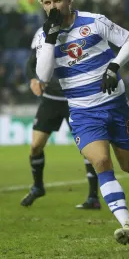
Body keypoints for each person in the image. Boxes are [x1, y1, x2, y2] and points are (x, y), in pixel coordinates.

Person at [35, 0, 129, 247]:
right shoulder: (42, 35)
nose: (52, 6)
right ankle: (126, 224)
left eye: (57, 0)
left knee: (128, 166)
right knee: (101, 163)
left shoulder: (95, 22)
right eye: (47, 2)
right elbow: (43, 74)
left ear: (69, 0)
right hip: (83, 113)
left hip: (115, 105)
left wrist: (114, 66)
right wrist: (50, 38)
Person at [21, 27, 101, 209]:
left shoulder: (82, 31)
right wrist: (33, 79)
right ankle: (38, 187)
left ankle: (93, 197)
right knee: (35, 146)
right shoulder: (42, 32)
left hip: (76, 98)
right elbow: (31, 62)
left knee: (87, 148)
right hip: (50, 99)